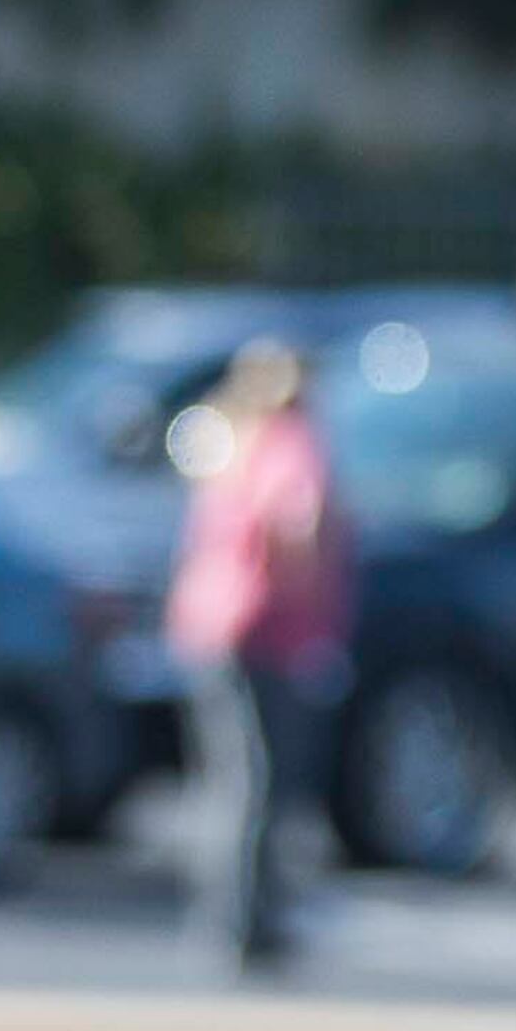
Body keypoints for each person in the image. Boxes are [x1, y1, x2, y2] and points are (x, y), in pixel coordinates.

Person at [164, 340, 354, 966]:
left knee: (230, 775)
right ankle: (251, 917)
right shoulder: (292, 446)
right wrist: (315, 610)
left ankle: (230, 911)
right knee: (261, 779)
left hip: (209, 624)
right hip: (267, 627)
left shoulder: (231, 440)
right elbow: (300, 525)